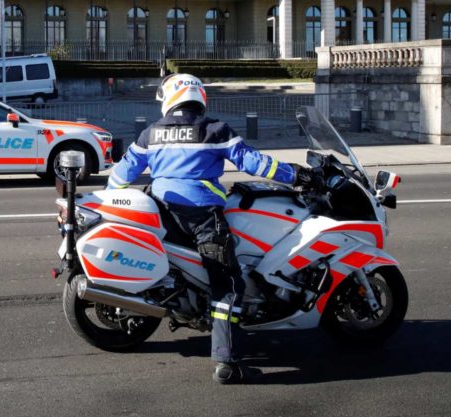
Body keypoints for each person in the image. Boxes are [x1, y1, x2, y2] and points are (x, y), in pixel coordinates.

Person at [106, 74, 312, 384]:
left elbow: (121, 174)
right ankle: (225, 361)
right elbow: (254, 163)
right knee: (228, 285)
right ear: (199, 97)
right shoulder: (214, 130)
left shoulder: (152, 133)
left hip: (164, 214)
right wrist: (294, 174)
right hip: (203, 217)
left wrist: (112, 203)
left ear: (170, 99)